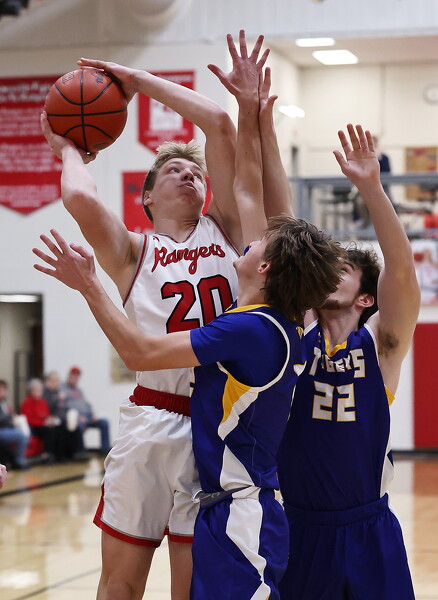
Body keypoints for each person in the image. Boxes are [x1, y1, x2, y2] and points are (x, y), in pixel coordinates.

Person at [33, 44, 344, 596]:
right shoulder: (132, 251)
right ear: (146, 197)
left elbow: (220, 124)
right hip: (152, 419)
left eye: (196, 172)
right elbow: (79, 200)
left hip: (213, 429)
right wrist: (68, 150)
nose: (188, 175)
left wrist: (135, 78)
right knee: (120, 583)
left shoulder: (231, 232)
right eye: (173, 170)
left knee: (192, 586)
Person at [276, 124, 419, 600]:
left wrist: (372, 188)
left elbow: (402, 271)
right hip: (299, 527)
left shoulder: (380, 346)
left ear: (365, 298)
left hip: (368, 529)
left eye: (343, 270)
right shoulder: (291, 333)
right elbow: (279, 224)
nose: (328, 273)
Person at [61, 367, 111, 456]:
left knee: (104, 423)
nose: (75, 379)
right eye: (73, 377)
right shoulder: (62, 389)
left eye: (77, 378)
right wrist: (78, 417)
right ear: (68, 377)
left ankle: (105, 450)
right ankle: (80, 452)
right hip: (76, 418)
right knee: (79, 426)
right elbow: (65, 406)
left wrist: (93, 415)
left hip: (87, 417)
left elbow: (87, 404)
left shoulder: (79, 390)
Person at [43, 371, 87, 461]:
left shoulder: (57, 391)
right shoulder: (46, 392)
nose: (57, 383)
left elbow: (64, 406)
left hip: (62, 416)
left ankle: (77, 452)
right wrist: (57, 398)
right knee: (62, 427)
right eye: (55, 381)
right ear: (49, 381)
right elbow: (48, 406)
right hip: (52, 417)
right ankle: (60, 455)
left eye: (57, 381)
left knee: (75, 426)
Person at [20, 378, 64, 464]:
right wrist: (43, 423)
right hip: (33, 427)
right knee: (49, 431)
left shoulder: (43, 402)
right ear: (31, 391)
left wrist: (50, 421)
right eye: (36, 390)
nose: (38, 392)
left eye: (40, 390)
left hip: (43, 425)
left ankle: (59, 455)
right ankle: (47, 455)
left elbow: (47, 415)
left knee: (59, 428)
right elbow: (28, 419)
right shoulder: (27, 402)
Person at [0, 379, 30, 470]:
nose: (3, 392)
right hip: (2, 429)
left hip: (7, 427)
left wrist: (12, 417)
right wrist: (10, 417)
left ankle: (18, 459)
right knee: (21, 435)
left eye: (4, 389)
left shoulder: (4, 401)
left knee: (25, 431)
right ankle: (19, 461)